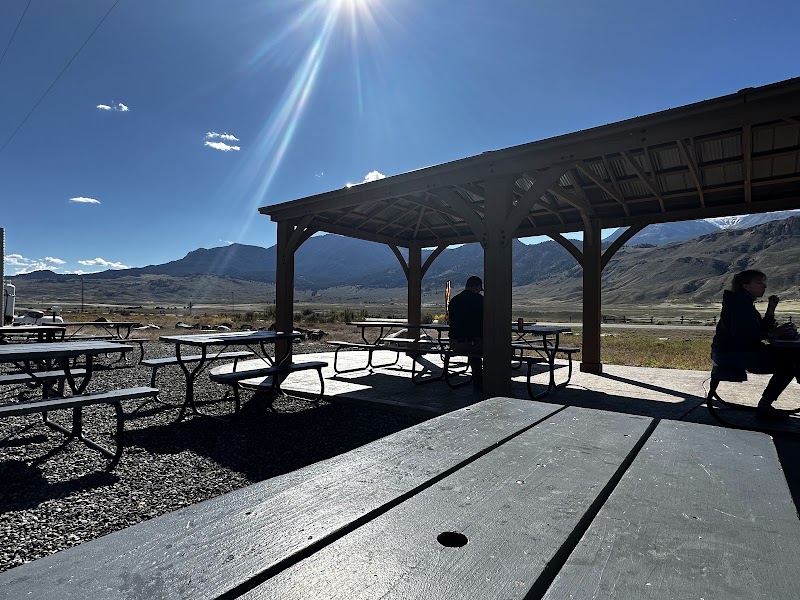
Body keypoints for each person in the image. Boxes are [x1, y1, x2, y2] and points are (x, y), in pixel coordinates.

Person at [711, 269, 800, 420]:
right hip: (734, 355)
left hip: (735, 351)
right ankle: (764, 407)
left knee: (791, 357)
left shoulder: (742, 302)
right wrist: (772, 334)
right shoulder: (740, 305)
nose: (764, 287)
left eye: (764, 284)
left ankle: (765, 406)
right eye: (759, 283)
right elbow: (743, 335)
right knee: (791, 363)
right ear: (745, 286)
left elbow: (758, 329)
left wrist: (771, 309)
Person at [447, 275, 484, 388]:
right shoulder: (481, 301)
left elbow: (451, 321)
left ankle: (477, 377)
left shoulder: (454, 300)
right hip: (472, 343)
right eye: (479, 289)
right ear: (477, 286)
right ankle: (489, 379)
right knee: (496, 347)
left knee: (475, 346)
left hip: (454, 343)